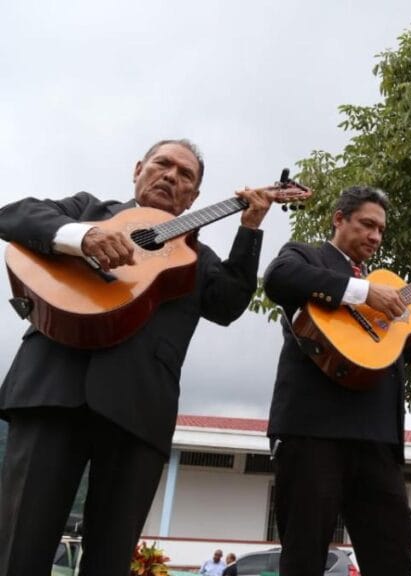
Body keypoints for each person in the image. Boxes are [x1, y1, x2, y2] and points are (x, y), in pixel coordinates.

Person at [0, 139, 272, 575]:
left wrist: (250, 229)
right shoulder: (90, 209)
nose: (171, 176)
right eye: (163, 164)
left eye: (186, 176)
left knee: (109, 559)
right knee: (19, 548)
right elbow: (12, 215)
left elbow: (229, 304)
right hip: (52, 390)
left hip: (139, 412)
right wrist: (83, 235)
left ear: (195, 199)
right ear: (138, 168)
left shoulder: (195, 259)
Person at [265, 185, 411, 576]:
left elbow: (398, 352)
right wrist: (362, 292)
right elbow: (279, 277)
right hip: (313, 431)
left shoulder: (388, 293)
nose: (375, 237)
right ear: (339, 219)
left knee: (393, 555)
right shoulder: (307, 255)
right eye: (367, 225)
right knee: (304, 553)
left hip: (377, 437)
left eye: (381, 231)